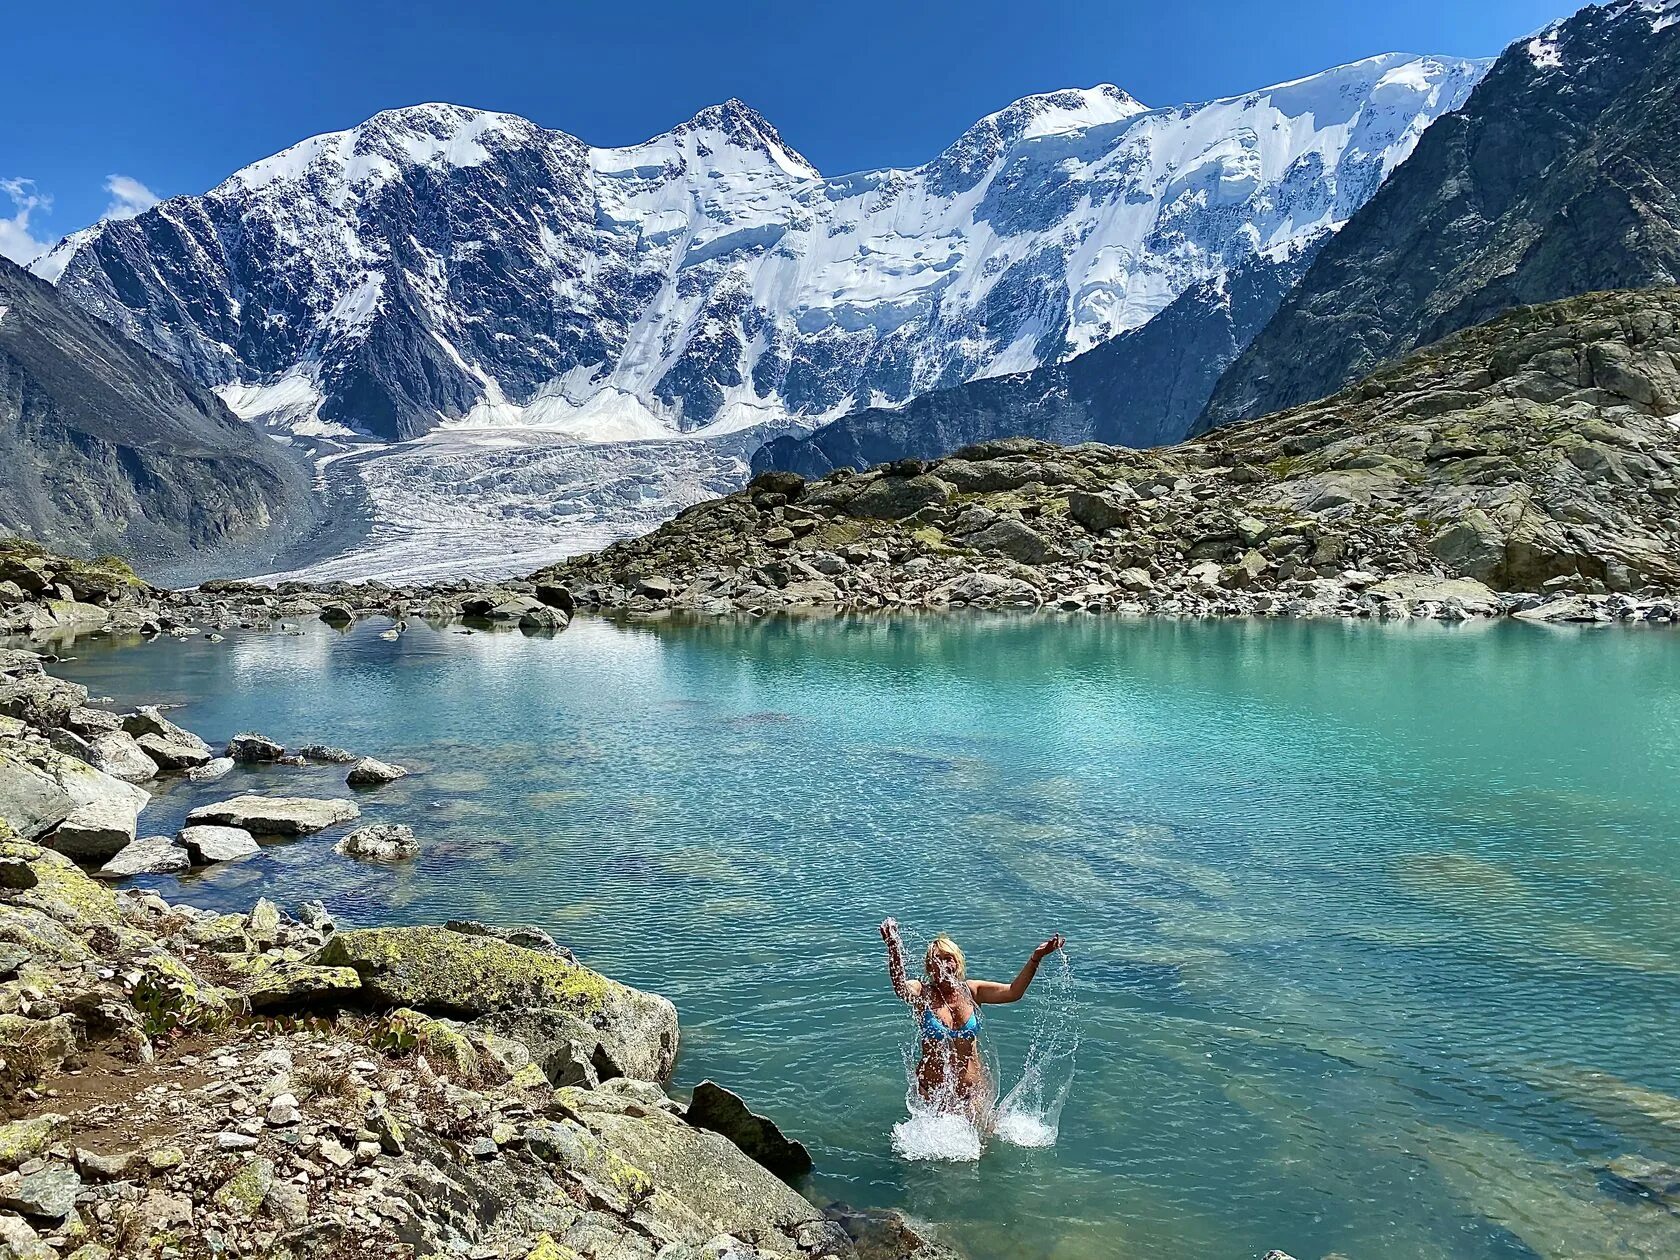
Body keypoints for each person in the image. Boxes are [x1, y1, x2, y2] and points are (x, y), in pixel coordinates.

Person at [879, 918, 1065, 1126]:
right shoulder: (922, 992)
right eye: (937, 959)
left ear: (958, 963)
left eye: (949, 958)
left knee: (982, 1151)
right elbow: (900, 988)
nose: (944, 964)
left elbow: (1014, 992)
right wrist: (893, 948)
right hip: (933, 1095)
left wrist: (1035, 958)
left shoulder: (972, 991)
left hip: (973, 1093)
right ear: (929, 967)